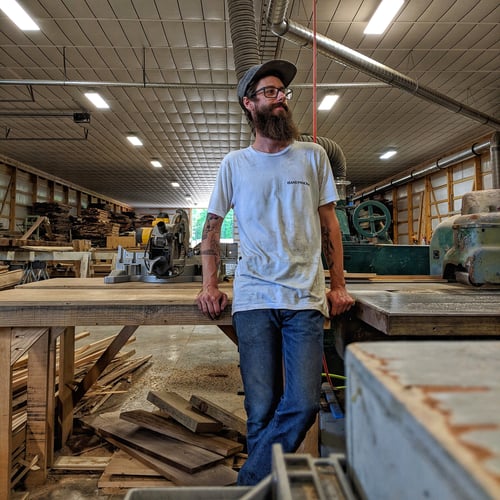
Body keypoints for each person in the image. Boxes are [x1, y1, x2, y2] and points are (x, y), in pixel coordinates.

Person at [196, 59, 354, 485]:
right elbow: (210, 227)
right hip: (252, 299)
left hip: (304, 296)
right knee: (260, 408)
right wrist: (209, 285)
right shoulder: (234, 163)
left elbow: (329, 224)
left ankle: (248, 485)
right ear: (249, 104)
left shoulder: (313, 156)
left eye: (282, 91)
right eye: (269, 91)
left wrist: (338, 284)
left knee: (302, 404)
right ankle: (265, 489)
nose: (280, 97)